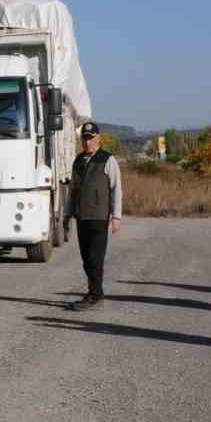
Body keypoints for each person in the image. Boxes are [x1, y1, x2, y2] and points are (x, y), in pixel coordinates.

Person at [67, 122, 122, 311]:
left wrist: (117, 216)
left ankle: (95, 295)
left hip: (99, 216)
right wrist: (67, 214)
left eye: (90, 138)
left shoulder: (107, 160)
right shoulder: (78, 160)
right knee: (86, 258)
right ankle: (94, 291)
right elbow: (72, 190)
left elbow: (116, 189)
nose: (87, 141)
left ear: (98, 138)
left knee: (95, 257)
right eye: (85, 138)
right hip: (82, 216)